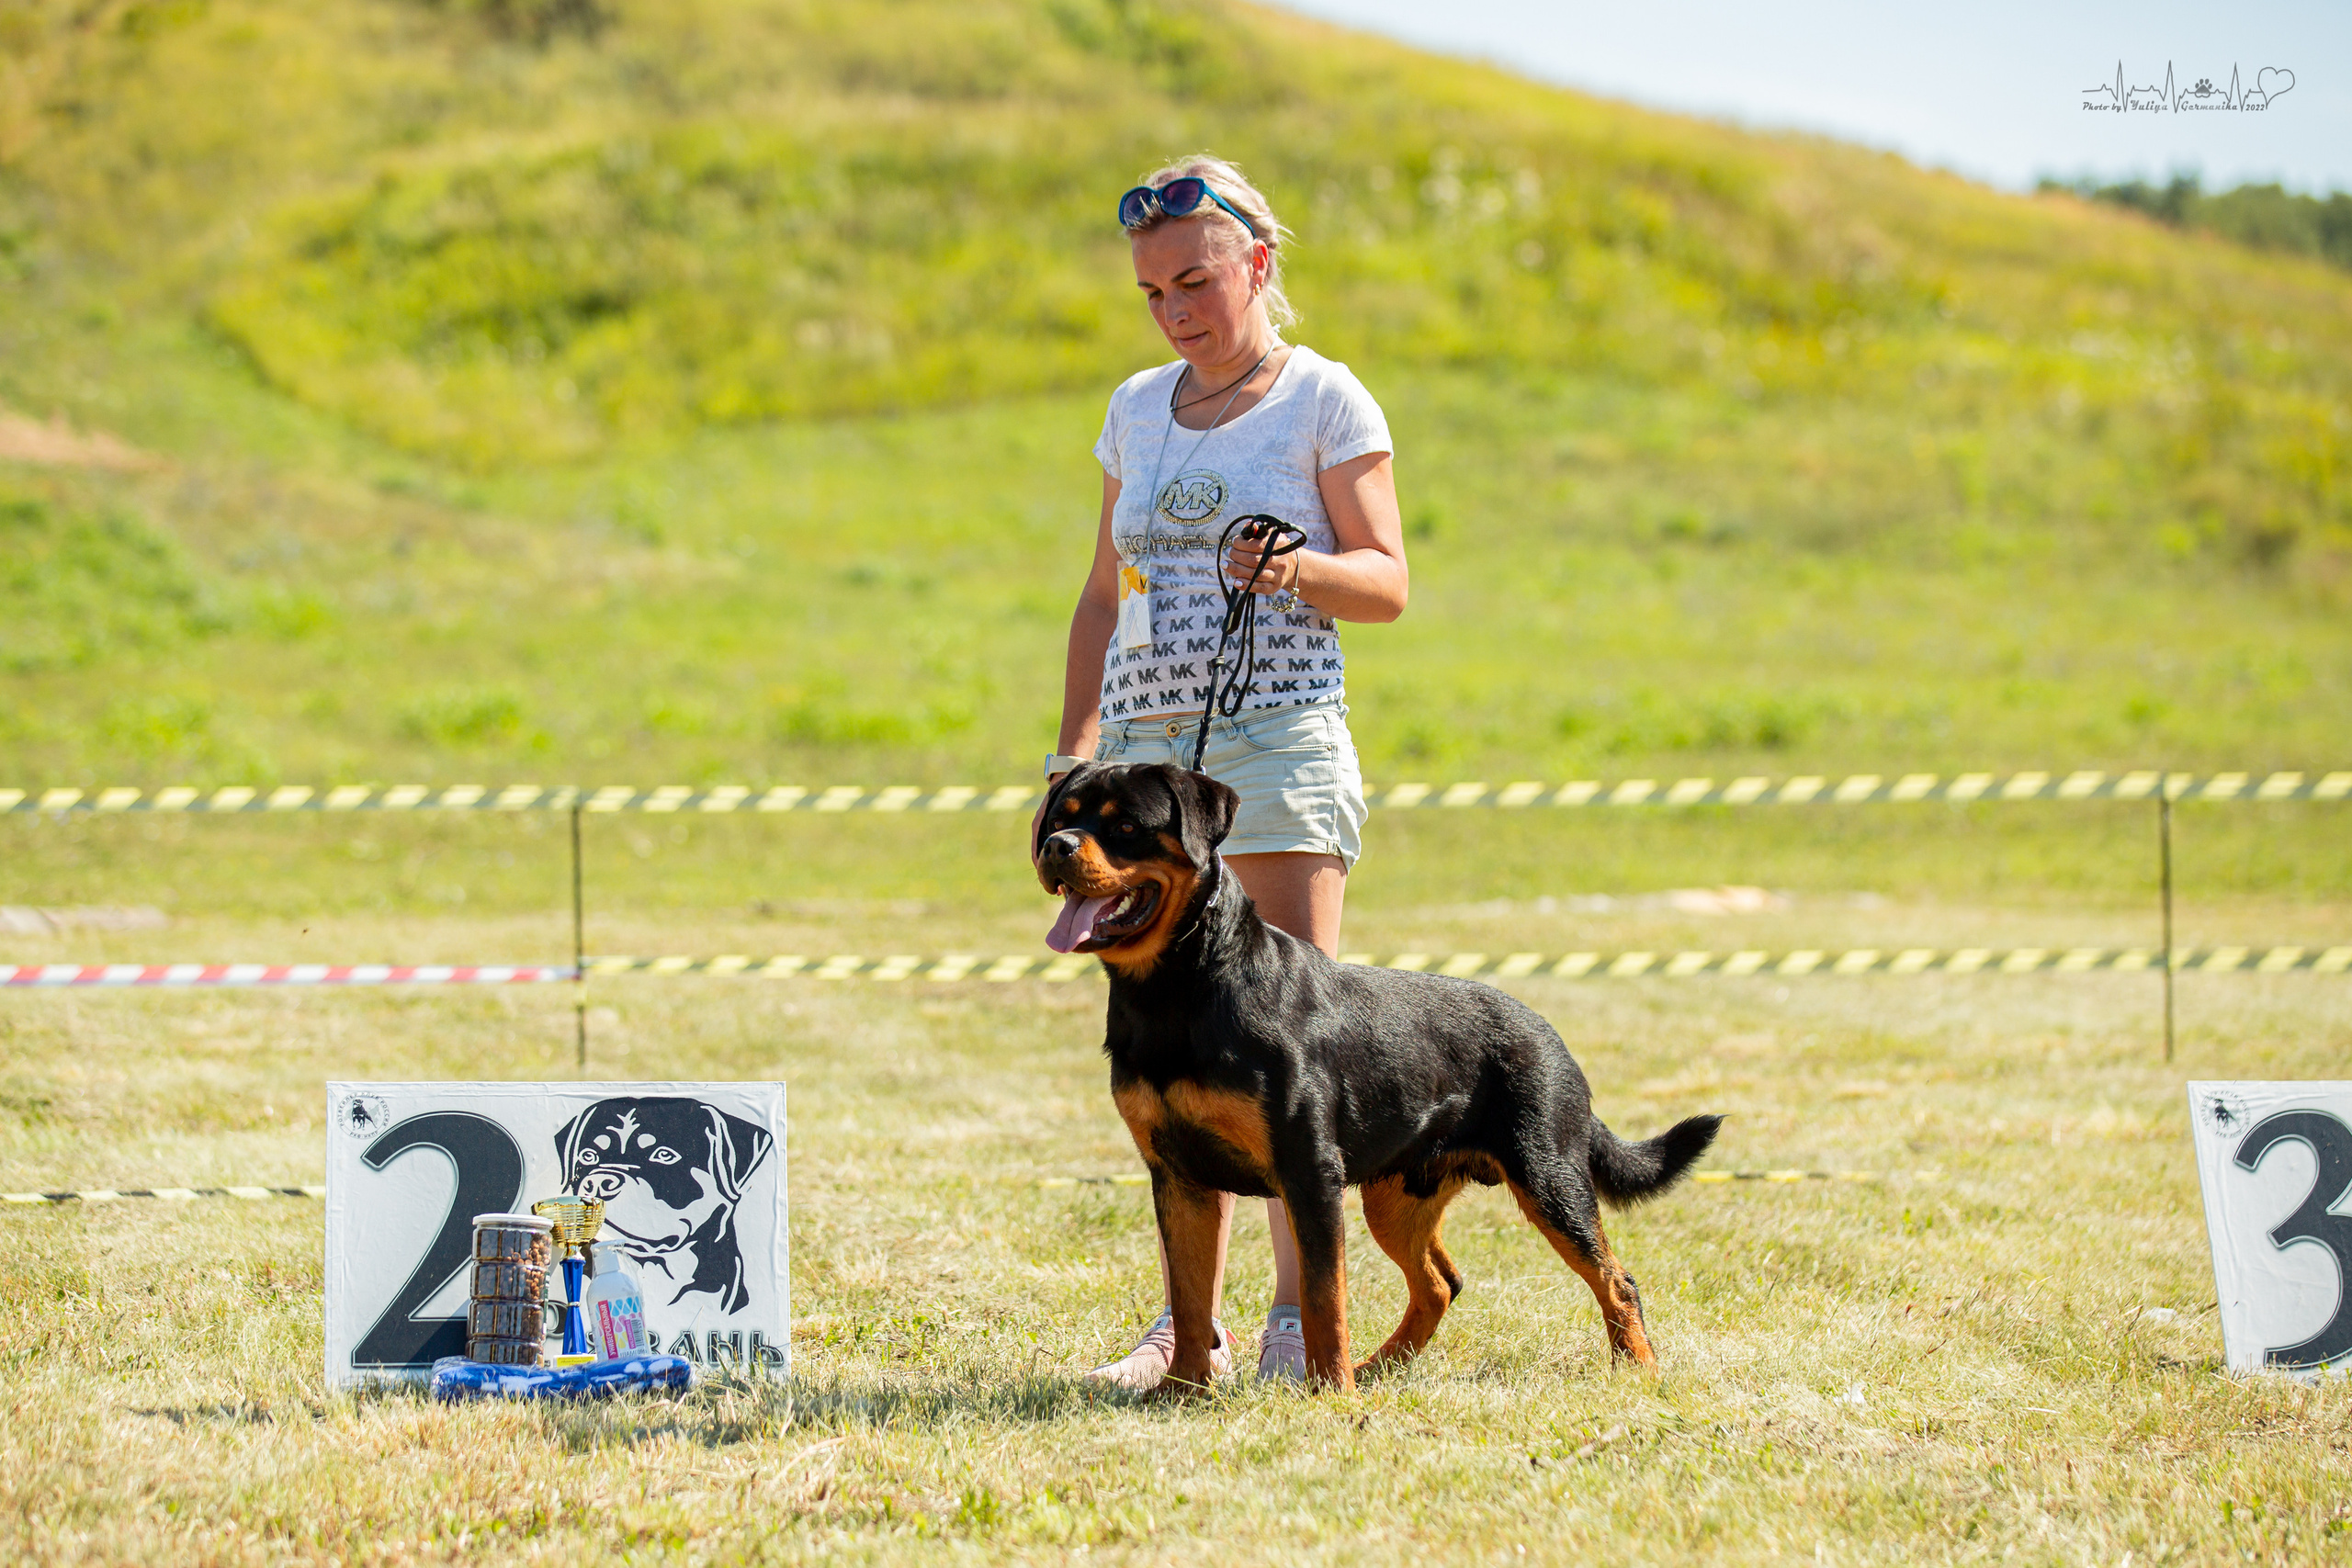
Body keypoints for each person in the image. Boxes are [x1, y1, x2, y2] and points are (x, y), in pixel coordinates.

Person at [1044, 154, 1408, 1388]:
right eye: (1152, 291)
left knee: (1281, 1067)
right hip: (1150, 777)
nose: (1175, 308)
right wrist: (1074, 750)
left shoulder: (1325, 401)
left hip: (1279, 750)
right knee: (1165, 1063)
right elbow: (1102, 594)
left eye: (1195, 278)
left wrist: (1293, 566)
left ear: (1258, 262)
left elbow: (1389, 582)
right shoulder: (1136, 407)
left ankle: (1299, 1327)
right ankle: (1182, 1331)